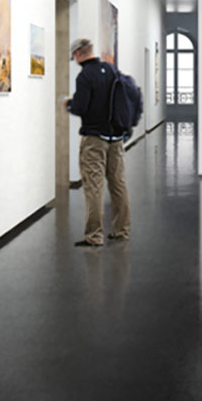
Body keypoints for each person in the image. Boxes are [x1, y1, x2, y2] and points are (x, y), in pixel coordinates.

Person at [64, 37, 131, 247]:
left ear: (78, 54)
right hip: (116, 138)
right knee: (118, 184)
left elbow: (81, 107)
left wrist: (68, 103)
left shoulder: (85, 76)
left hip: (94, 140)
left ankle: (94, 236)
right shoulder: (111, 70)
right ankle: (121, 231)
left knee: (94, 187)